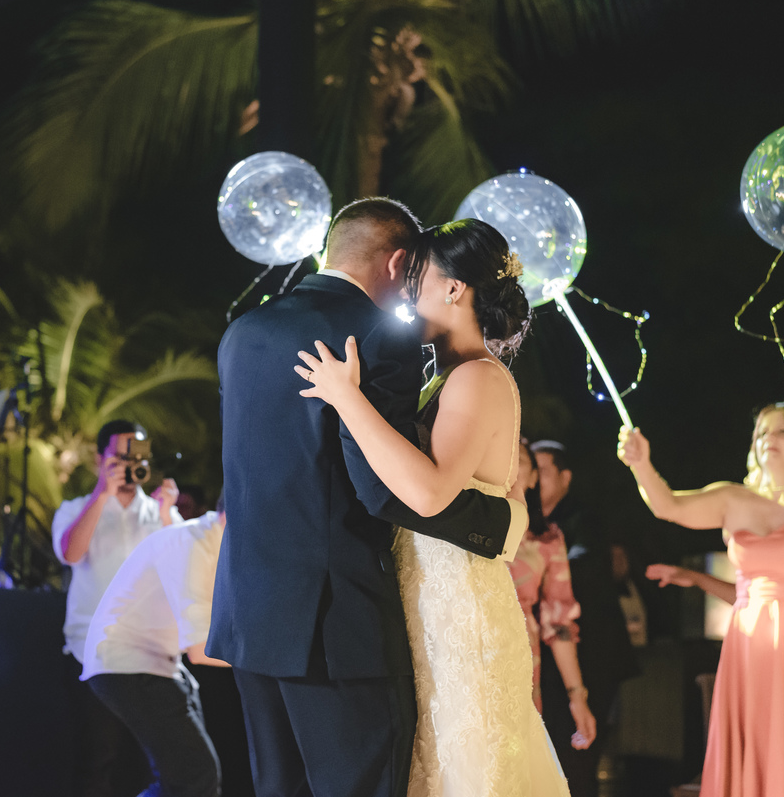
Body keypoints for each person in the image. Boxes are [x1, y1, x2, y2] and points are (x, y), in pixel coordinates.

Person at [210, 199, 523, 797]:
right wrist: (500, 522)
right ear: (399, 262)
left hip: (248, 616)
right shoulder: (376, 336)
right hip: (336, 625)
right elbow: (382, 492)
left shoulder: (242, 332)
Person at [295, 217, 565, 796]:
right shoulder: (443, 379)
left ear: (453, 288)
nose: (404, 292)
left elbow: (429, 492)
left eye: (416, 277)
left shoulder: (477, 378)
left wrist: (346, 397)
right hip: (433, 610)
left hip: (461, 615)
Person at [618, 403, 784, 797]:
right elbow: (667, 506)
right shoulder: (731, 498)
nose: (768, 439)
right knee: (755, 744)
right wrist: (641, 464)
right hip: (749, 649)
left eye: (781, 432)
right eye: (761, 433)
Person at [53, 419, 180, 797]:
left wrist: (167, 513)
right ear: (100, 459)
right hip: (94, 654)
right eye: (121, 456)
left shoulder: (160, 512)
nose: (130, 464)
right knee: (96, 762)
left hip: (150, 657)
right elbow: (71, 552)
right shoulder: (78, 508)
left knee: (152, 765)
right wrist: (101, 495)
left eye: (137, 456)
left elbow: (182, 571)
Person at [82, 506, 229, 797]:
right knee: (195, 779)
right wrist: (269, 659)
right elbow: (200, 650)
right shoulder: (191, 542)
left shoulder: (215, 544)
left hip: (160, 664)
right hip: (127, 662)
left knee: (193, 781)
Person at [530, 439, 639, 797]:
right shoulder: (525, 522)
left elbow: (586, 565)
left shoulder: (581, 519)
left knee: (578, 755)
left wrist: (542, 566)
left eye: (541, 469)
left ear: (565, 477)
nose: (534, 476)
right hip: (550, 656)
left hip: (593, 653)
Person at [508, 440, 596, 750]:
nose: (506, 459)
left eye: (517, 458)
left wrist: (577, 698)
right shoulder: (462, 521)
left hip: (521, 654)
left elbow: (559, 624)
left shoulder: (547, 538)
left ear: (533, 477)